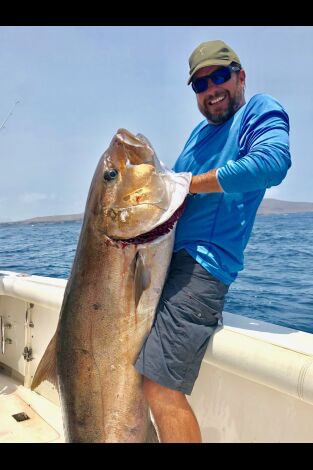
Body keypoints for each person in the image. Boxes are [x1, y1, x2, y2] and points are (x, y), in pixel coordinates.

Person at [134, 39, 291, 443]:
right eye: (200, 84)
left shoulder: (259, 109)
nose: (212, 88)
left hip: (202, 269)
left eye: (220, 76)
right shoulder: (197, 135)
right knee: (132, 372)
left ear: (241, 76)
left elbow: (272, 165)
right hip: (165, 265)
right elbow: (176, 194)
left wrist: (187, 184)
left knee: (160, 387)